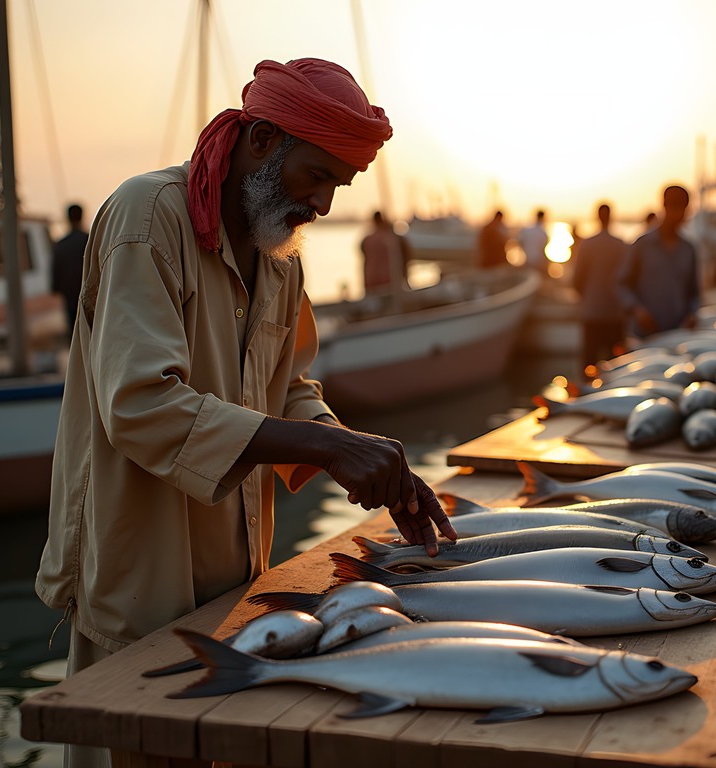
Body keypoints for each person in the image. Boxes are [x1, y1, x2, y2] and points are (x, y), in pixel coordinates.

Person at [35, 57, 457, 766]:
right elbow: (141, 404)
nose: (323, 206)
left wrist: (351, 450)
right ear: (262, 140)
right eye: (316, 176)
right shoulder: (147, 215)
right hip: (139, 576)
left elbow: (288, 386)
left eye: (338, 186)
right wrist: (327, 450)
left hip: (235, 583)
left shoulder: (281, 254)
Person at [616, 184, 699, 338]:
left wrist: (692, 314)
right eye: (675, 208)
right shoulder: (642, 245)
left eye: (682, 209)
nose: (679, 214)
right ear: (665, 207)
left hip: (678, 336)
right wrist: (637, 310)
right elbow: (623, 284)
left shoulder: (689, 250)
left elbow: (694, 293)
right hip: (644, 336)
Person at [572, 202, 627, 372]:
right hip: (615, 313)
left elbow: (576, 279)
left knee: (589, 364)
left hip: (592, 312)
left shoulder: (587, 244)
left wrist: (587, 298)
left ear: (597, 217)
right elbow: (628, 279)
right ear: (611, 217)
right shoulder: (621, 245)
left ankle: (587, 394)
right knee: (616, 367)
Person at [51, 203, 89, 337]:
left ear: (67, 218)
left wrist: (55, 288)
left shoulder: (61, 244)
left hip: (70, 293)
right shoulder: (89, 240)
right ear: (82, 217)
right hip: (90, 291)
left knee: (73, 330)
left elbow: (56, 269)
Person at [360, 210, 410, 294]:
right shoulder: (392, 238)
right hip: (388, 281)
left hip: (373, 281)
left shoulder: (367, 240)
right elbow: (406, 256)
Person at [518, 208, 549, 273]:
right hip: (538, 263)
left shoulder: (526, 230)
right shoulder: (543, 233)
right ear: (544, 218)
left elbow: (520, 242)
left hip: (527, 261)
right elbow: (543, 249)